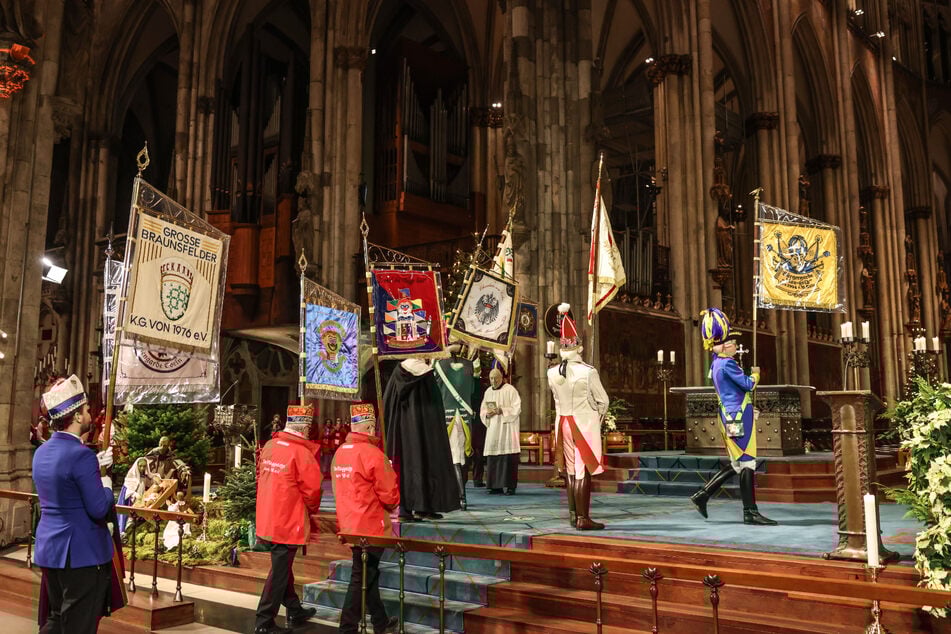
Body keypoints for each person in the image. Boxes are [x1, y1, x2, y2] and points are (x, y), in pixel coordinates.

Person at [33, 375, 116, 633]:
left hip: (51, 549)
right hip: (81, 554)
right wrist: (106, 483)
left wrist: (95, 469)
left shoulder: (42, 451)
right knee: (79, 626)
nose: (90, 414)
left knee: (57, 619)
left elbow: (65, 486)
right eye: (87, 410)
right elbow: (98, 508)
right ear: (78, 417)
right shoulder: (81, 455)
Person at [689, 308, 777, 526]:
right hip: (737, 416)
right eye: (734, 343)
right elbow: (747, 385)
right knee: (747, 462)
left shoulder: (716, 363)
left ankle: (703, 495)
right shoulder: (727, 363)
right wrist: (756, 373)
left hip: (730, 415)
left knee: (738, 464)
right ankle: (750, 512)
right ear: (726, 345)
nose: (736, 347)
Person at [253, 404, 323, 634]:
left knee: (282, 566)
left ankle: (293, 608)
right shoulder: (301, 453)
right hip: (288, 519)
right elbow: (312, 491)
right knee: (280, 571)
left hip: (268, 515)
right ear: (304, 429)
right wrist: (311, 510)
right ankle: (264, 621)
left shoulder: (271, 445)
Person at [332, 403, 400, 634]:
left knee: (368, 573)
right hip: (370, 525)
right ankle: (347, 627)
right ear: (370, 427)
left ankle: (380, 622)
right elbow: (390, 496)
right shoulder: (372, 454)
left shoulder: (340, 452)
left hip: (349, 522)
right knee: (361, 576)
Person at [547, 304, 609, 530]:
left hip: (563, 422)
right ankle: (583, 518)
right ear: (579, 348)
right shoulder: (588, 371)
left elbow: (555, 400)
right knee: (583, 471)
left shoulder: (552, 372)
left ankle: (573, 514)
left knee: (571, 470)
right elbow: (604, 401)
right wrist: (595, 416)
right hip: (582, 424)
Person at [383, 357, 460, 521]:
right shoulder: (426, 377)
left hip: (401, 433)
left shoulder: (396, 374)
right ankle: (424, 507)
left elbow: (387, 405)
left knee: (403, 466)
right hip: (424, 434)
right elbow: (433, 409)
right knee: (425, 463)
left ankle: (405, 509)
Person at [434, 344, 480, 509]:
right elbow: (474, 388)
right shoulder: (469, 365)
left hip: (449, 416)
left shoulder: (439, 365)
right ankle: (458, 494)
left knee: (454, 457)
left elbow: (436, 389)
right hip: (465, 417)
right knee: (461, 455)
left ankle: (461, 496)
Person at [481, 367, 522, 495]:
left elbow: (517, 408)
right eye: (491, 378)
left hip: (507, 429)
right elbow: (482, 409)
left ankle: (510, 486)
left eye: (496, 378)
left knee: (508, 457)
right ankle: (495, 486)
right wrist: (487, 414)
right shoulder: (488, 391)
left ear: (501, 378)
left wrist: (502, 410)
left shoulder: (510, 390)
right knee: (494, 457)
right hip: (493, 428)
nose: (493, 381)